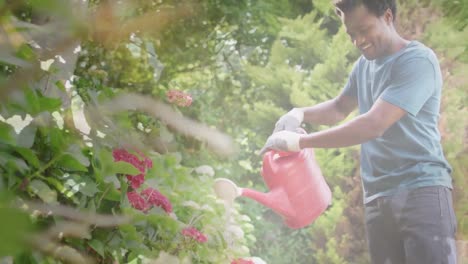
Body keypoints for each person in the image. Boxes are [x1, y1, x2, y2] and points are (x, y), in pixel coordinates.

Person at [260, 0, 457, 263]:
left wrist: (300, 142)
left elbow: (373, 124)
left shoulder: (417, 61)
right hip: (378, 197)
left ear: (387, 16)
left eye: (363, 30)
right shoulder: (364, 66)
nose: (358, 41)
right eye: (351, 34)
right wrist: (300, 113)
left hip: (421, 192)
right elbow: (340, 108)